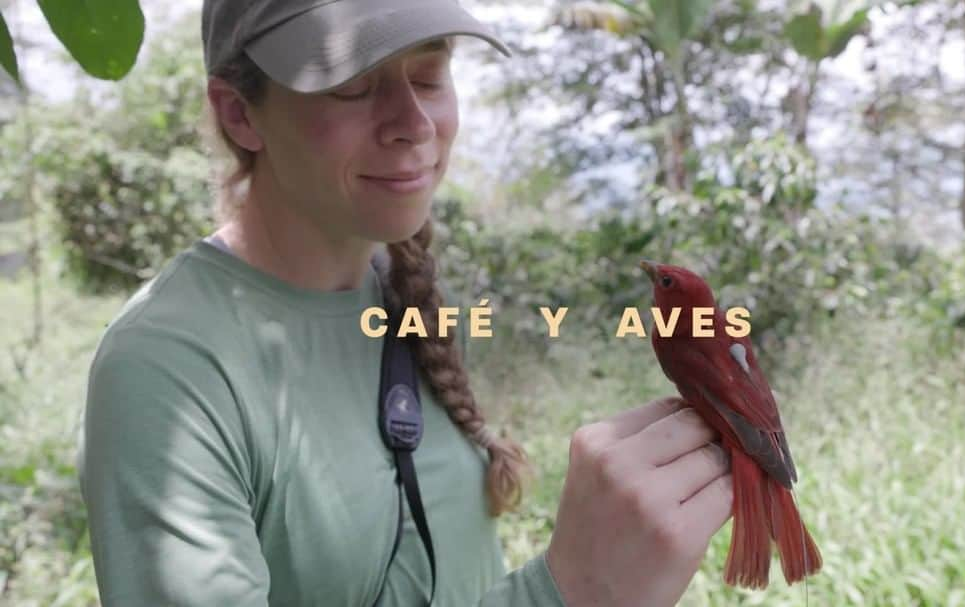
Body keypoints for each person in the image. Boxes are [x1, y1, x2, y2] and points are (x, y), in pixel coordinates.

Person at [75, 0, 735, 605]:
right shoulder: (168, 368)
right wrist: (571, 588)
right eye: (353, 85)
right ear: (240, 114)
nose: (414, 124)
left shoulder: (401, 290)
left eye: (429, 77)